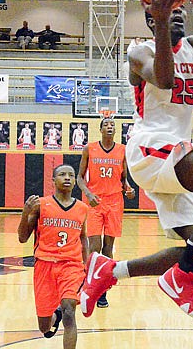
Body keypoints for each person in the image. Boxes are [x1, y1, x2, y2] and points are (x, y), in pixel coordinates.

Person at [79, 0, 193, 322]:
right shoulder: (139, 52)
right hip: (150, 149)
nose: (180, 14)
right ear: (151, 17)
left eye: (183, 9)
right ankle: (183, 276)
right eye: (172, 10)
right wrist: (160, 25)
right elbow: (166, 80)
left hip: (174, 153)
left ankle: (109, 271)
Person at [17, 164, 89, 349]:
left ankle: (61, 313)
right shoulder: (41, 205)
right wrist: (25, 213)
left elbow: (83, 237)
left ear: (75, 181)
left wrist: (86, 264)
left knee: (69, 311)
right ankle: (53, 316)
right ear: (53, 180)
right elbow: (22, 238)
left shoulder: (82, 208)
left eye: (71, 175)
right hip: (44, 265)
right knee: (45, 328)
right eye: (62, 174)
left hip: (71, 266)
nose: (67, 178)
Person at [76, 117, 135, 308]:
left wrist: (129, 188)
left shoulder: (122, 150)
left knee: (108, 248)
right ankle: (89, 283)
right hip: (95, 202)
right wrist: (87, 193)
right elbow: (79, 178)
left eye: (113, 125)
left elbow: (124, 178)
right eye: (107, 125)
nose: (110, 127)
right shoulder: (89, 149)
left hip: (115, 202)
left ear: (115, 131)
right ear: (100, 129)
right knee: (94, 246)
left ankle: (102, 290)